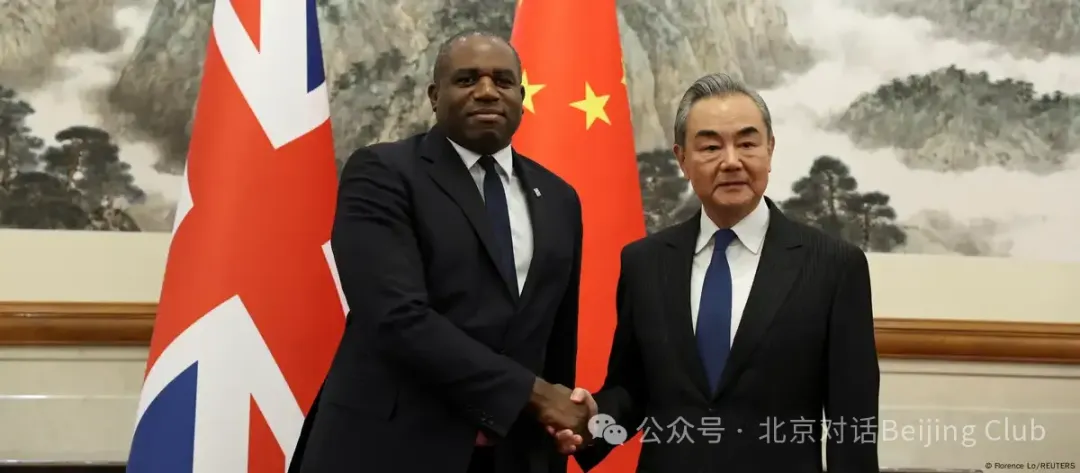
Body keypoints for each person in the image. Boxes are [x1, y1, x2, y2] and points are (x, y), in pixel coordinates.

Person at [292, 31, 591, 473]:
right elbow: (395, 317)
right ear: (435, 96)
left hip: (513, 454)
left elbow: (555, 335)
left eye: (503, 81)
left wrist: (561, 418)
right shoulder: (382, 173)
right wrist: (535, 395)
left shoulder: (560, 198)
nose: (486, 92)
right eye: (467, 79)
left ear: (521, 97)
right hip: (391, 450)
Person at [555, 73, 881, 472]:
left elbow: (853, 421)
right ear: (682, 159)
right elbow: (633, 390)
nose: (731, 161)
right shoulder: (645, 262)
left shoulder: (833, 266)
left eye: (747, 143)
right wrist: (592, 425)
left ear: (770, 149)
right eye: (711, 147)